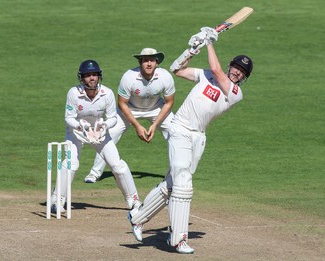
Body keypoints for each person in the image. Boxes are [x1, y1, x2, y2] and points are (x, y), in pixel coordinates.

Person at [127, 27, 254, 254]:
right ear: (231, 66)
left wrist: (209, 42)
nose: (237, 73)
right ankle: (177, 239)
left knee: (173, 184)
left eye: (242, 72)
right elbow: (176, 69)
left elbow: (216, 69)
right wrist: (192, 49)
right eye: (236, 67)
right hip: (180, 130)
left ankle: (137, 217)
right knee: (183, 183)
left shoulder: (234, 92)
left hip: (199, 137)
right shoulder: (206, 75)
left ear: (244, 78)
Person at [50, 59, 141, 214]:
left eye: (94, 75)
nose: (91, 78)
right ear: (81, 77)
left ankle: (133, 200)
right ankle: (57, 200)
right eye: (87, 75)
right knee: (72, 163)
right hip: (76, 133)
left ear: (99, 76)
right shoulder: (74, 93)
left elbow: (113, 117)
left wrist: (105, 125)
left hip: (99, 133)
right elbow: (68, 118)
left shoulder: (107, 93)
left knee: (117, 165)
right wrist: (81, 126)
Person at [83, 48, 175, 183]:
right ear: (140, 62)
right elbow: (122, 103)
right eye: (145, 60)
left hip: (156, 108)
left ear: (157, 63)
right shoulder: (129, 77)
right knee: (109, 134)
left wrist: (155, 125)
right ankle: (94, 173)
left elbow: (169, 102)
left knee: (176, 133)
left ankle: (175, 174)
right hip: (130, 108)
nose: (148, 64)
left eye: (152, 60)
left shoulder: (165, 76)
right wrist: (137, 126)